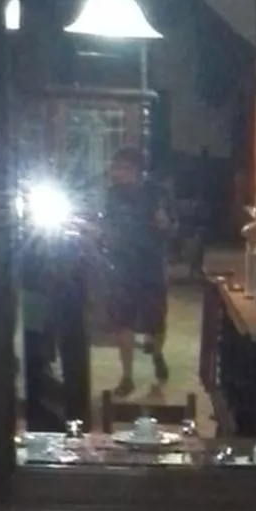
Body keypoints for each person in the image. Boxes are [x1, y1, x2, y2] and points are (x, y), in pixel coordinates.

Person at [99, 147, 173, 399]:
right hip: (121, 266)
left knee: (157, 321)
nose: (115, 172)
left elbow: (171, 230)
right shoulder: (112, 195)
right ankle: (127, 376)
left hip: (149, 266)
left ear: (135, 170)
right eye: (115, 167)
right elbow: (106, 224)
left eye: (121, 168)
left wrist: (165, 224)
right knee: (123, 322)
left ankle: (157, 353)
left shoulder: (156, 195)